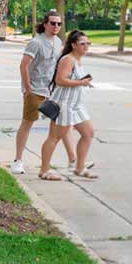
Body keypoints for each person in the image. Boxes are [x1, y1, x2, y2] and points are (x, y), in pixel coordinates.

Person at [11, 11, 78, 174]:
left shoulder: (57, 42)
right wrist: (28, 89)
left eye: (59, 24)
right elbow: (24, 66)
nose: (56, 26)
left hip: (51, 91)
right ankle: (17, 161)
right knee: (27, 123)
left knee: (64, 122)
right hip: (34, 89)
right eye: (53, 23)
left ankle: (74, 161)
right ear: (45, 24)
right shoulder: (36, 42)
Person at [38, 30, 99, 181]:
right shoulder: (68, 60)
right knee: (55, 137)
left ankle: (79, 167)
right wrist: (81, 82)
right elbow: (60, 80)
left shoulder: (78, 60)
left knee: (88, 133)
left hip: (76, 105)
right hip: (64, 104)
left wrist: (83, 84)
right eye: (82, 44)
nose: (86, 46)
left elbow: (72, 80)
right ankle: (44, 170)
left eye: (88, 43)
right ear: (73, 45)